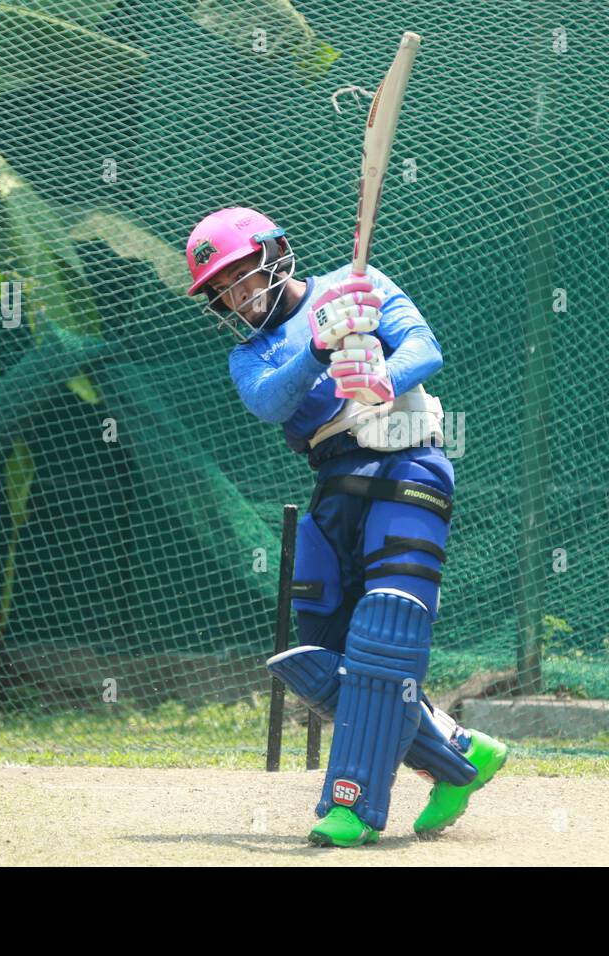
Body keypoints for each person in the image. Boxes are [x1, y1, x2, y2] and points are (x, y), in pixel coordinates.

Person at [185, 206, 508, 846]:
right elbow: (271, 401)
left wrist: (383, 373)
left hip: (406, 461)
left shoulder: (356, 284)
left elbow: (425, 346)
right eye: (221, 290)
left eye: (239, 275)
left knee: (386, 626)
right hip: (334, 484)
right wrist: (317, 348)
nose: (235, 295)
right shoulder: (249, 356)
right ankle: (461, 756)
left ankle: (352, 806)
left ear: (274, 254)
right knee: (322, 659)